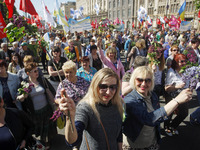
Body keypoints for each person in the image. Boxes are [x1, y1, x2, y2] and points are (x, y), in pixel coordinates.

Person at [123, 66, 192, 149]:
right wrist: (176, 101)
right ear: (133, 80)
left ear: (152, 82)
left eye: (147, 80)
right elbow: (149, 119)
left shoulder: (153, 96)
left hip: (152, 143)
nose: (143, 84)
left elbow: (158, 117)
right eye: (140, 80)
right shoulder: (130, 100)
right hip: (135, 146)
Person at [58, 68, 123, 150]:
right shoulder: (85, 107)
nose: (108, 92)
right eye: (103, 86)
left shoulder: (117, 104)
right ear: (95, 86)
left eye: (112, 87)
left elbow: (118, 134)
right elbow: (73, 141)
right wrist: (69, 117)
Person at [17, 62, 57, 149]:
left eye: (37, 70)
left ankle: (47, 143)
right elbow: (20, 98)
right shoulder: (24, 84)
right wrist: (24, 95)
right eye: (34, 71)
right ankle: (43, 141)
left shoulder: (42, 80)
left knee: (47, 128)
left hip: (46, 109)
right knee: (39, 128)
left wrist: (55, 102)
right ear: (28, 73)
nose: (37, 72)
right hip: (34, 112)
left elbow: (49, 91)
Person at [164, 54, 189, 136]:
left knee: (184, 113)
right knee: (169, 112)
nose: (184, 63)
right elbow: (166, 88)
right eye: (181, 61)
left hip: (182, 95)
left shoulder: (186, 70)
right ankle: (166, 127)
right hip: (172, 95)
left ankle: (173, 125)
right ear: (176, 62)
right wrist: (177, 86)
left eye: (185, 61)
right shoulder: (171, 71)